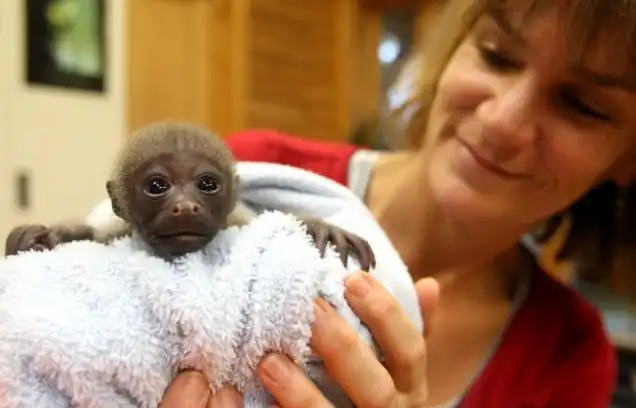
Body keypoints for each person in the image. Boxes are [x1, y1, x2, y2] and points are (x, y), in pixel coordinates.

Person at [14, 0, 632, 406]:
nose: (503, 121)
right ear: (449, 52)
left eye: (581, 105)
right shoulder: (255, 174)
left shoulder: (570, 356)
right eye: (497, 55)